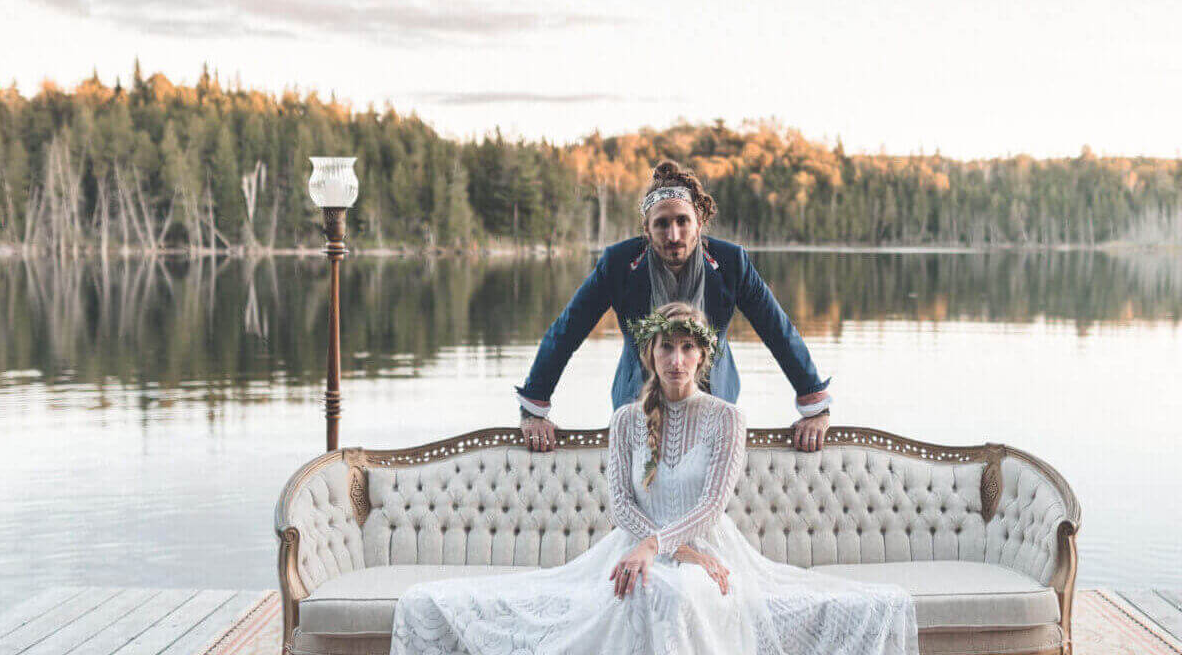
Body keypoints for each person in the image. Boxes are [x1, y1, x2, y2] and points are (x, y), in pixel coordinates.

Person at [392, 303, 918, 655]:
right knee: (640, 588)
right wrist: (659, 549)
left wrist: (665, 547)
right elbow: (621, 502)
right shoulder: (625, 419)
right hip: (634, 548)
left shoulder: (726, 419)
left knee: (677, 593)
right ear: (649, 353)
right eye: (666, 347)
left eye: (688, 348)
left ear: (703, 355)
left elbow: (711, 507)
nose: (677, 359)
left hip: (709, 548)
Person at [517, 160, 834, 453]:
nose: (673, 235)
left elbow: (778, 331)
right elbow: (566, 331)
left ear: (699, 222)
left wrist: (814, 408)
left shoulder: (731, 262)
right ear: (647, 228)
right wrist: (534, 409)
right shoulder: (618, 263)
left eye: (683, 221)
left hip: (713, 395)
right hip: (637, 400)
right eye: (662, 224)